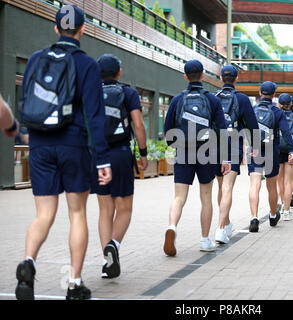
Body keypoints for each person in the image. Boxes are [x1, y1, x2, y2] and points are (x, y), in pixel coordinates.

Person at [15, 5, 112, 300]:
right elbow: (95, 116)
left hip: (40, 144)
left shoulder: (35, 59)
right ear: (82, 30)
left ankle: (29, 263)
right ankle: (74, 283)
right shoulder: (87, 64)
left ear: (56, 29)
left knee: (43, 214)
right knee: (77, 213)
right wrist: (103, 159)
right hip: (74, 145)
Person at [163, 59, 230, 256]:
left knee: (179, 197)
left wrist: (177, 147)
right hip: (207, 152)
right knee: (206, 197)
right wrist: (225, 157)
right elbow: (223, 130)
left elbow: (168, 131)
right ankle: (204, 239)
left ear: (185, 76)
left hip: (184, 150)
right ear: (202, 76)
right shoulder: (212, 100)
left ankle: (172, 226)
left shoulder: (177, 100)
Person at [91, 54, 148, 279]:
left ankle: (107, 261)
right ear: (119, 73)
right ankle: (114, 245)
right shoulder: (128, 93)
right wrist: (143, 153)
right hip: (121, 155)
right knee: (124, 209)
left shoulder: (90, 92)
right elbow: (138, 124)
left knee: (105, 210)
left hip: (97, 156)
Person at [213, 65, 259, 244]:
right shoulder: (242, 99)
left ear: (221, 77)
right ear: (236, 78)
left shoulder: (214, 97)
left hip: (214, 145)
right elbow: (252, 124)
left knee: (220, 187)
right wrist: (254, 145)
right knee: (227, 188)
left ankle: (226, 223)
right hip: (232, 144)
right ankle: (220, 229)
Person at [247, 81, 293, 232]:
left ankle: (254, 218)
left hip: (255, 150)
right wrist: (292, 149)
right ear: (274, 95)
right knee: (271, 186)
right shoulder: (277, 112)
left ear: (260, 93)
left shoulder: (252, 109)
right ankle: (273, 215)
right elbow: (286, 133)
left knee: (254, 184)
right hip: (271, 150)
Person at [276, 93, 293, 221]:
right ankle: (287, 211)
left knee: (279, 181)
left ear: (279, 104)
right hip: (290, 151)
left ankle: (282, 204)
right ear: (292, 104)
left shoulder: (275, 114)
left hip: (277, 149)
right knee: (288, 182)